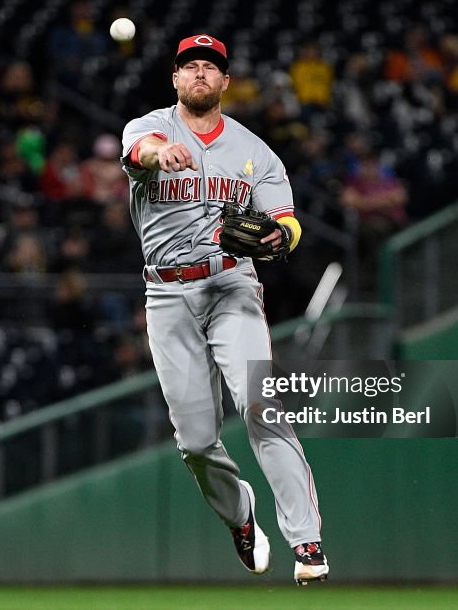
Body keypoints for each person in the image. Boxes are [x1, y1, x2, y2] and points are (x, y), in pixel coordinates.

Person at [120, 34, 328, 585]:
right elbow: (137, 156)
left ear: (225, 82)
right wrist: (161, 153)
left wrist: (281, 239)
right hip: (167, 295)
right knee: (194, 440)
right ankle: (240, 515)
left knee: (262, 406)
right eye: (190, 66)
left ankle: (306, 542)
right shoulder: (149, 129)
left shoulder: (255, 151)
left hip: (231, 284)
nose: (200, 75)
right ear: (175, 78)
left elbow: (286, 220)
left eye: (210, 68)